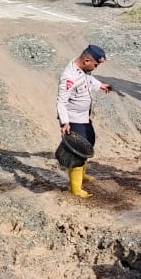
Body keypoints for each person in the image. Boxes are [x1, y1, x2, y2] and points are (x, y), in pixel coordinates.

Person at [56, 45, 113, 199]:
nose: (96, 67)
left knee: (89, 142)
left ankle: (82, 174)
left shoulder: (83, 70)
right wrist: (65, 122)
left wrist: (100, 85)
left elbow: (88, 80)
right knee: (78, 152)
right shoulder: (69, 77)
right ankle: (76, 188)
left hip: (84, 117)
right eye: (96, 64)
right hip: (73, 120)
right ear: (87, 61)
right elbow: (61, 102)